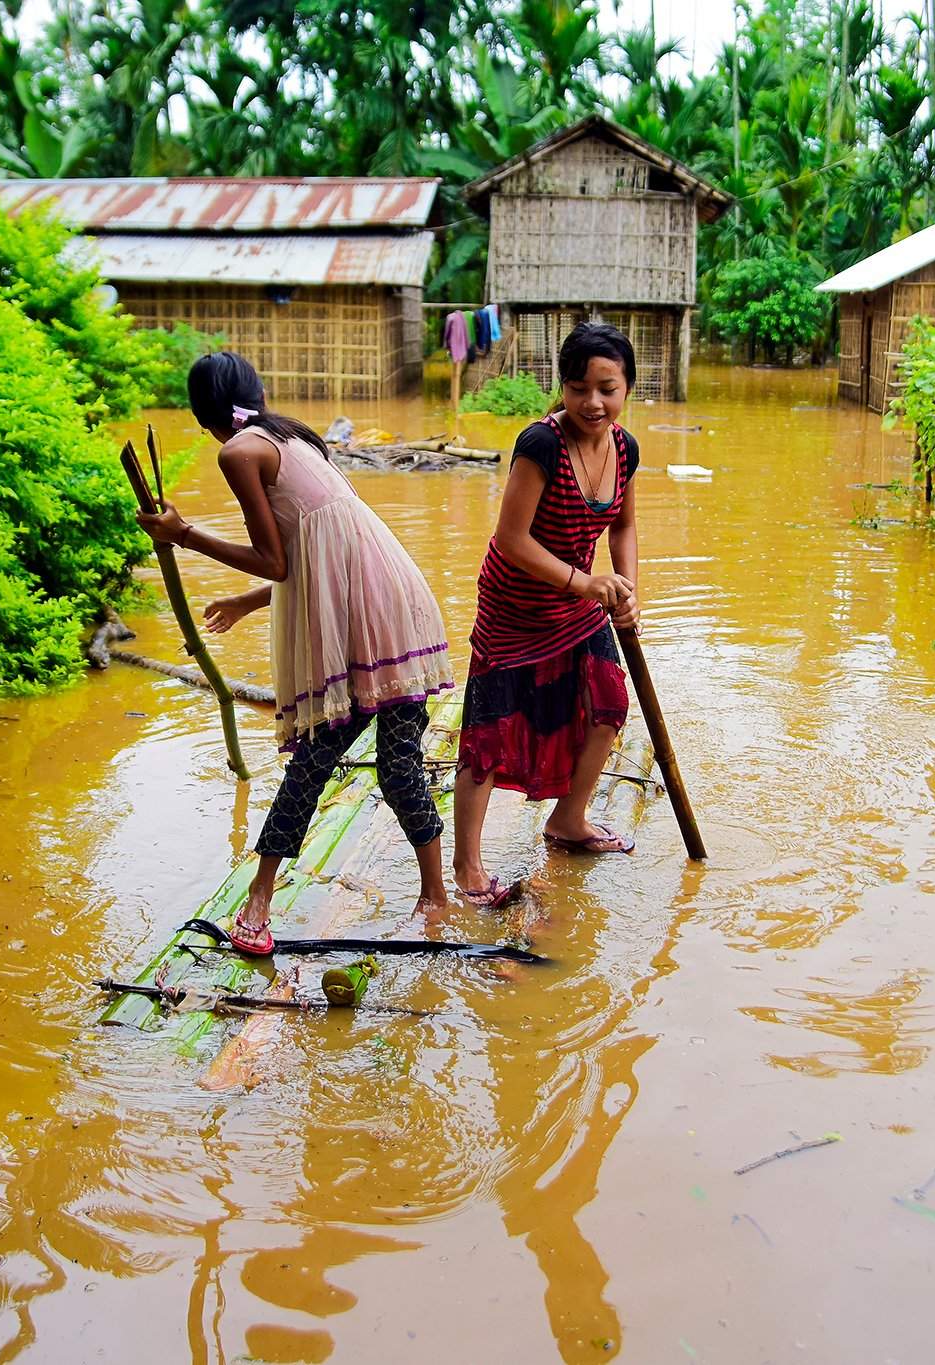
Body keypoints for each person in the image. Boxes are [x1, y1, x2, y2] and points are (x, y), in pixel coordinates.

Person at [136, 352, 455, 953]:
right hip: (396, 601)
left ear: (202, 413)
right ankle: (432, 896)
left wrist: (183, 535)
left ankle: (261, 902)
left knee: (318, 761)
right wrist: (249, 603)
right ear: (255, 393)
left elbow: (282, 560)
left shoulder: (238, 452)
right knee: (394, 764)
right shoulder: (291, 437)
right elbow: (317, 550)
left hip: (361, 620)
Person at [450, 322, 641, 908]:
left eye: (607, 388)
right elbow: (510, 539)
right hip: (515, 608)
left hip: (579, 606)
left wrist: (628, 586)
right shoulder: (541, 444)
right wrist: (587, 583)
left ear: (628, 387)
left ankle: (568, 820)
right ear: (563, 387)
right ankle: (466, 867)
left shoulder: (626, 447)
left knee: (609, 704)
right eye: (580, 387)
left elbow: (625, 525)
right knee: (490, 733)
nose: (593, 402)